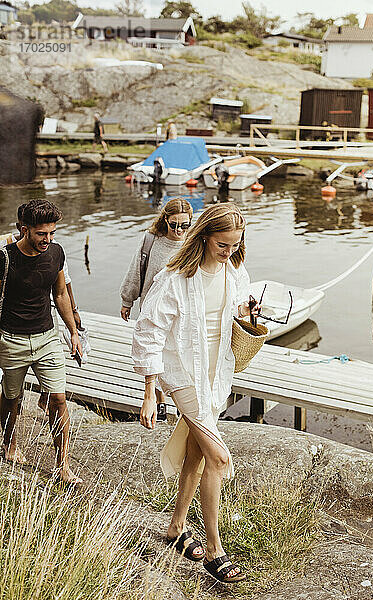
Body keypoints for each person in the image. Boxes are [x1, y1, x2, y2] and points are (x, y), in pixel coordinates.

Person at [131, 204, 258, 584]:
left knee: (195, 454)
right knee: (218, 459)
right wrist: (150, 392)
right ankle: (216, 550)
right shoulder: (174, 278)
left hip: (217, 369)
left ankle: (176, 527)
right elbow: (148, 331)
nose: (229, 252)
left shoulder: (234, 269)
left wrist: (251, 312)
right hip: (181, 371)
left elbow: (238, 306)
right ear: (203, 236)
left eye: (236, 245)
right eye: (223, 245)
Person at [0, 200, 83, 484]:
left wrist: (73, 332)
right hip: (11, 340)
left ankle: (62, 465)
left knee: (58, 399)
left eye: (52, 233)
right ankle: (10, 443)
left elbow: (60, 295)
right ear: (25, 230)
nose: (47, 240)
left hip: (47, 337)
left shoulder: (56, 252)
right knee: (12, 399)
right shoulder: (5, 258)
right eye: (41, 234)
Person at [120, 197, 193, 420]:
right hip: (152, 308)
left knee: (180, 355)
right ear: (165, 220)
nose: (179, 229)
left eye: (184, 225)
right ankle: (159, 402)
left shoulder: (193, 242)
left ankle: (183, 403)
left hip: (182, 311)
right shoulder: (151, 240)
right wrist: (127, 300)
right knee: (155, 352)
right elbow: (136, 270)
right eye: (174, 224)